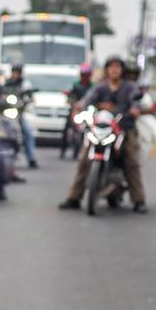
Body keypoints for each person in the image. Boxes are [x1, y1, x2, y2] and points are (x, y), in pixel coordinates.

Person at [58, 55, 148, 213]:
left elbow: (136, 103)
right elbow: (87, 101)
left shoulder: (130, 87)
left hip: (123, 129)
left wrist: (135, 109)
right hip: (100, 129)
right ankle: (74, 197)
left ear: (122, 70)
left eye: (117, 67)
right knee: (84, 159)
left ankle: (139, 200)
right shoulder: (100, 87)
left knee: (131, 161)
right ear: (107, 70)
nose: (114, 70)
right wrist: (79, 106)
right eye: (111, 67)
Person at [1, 63, 38, 168]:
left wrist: (28, 100)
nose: (16, 74)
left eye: (18, 72)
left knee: (28, 133)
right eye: (14, 71)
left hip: (18, 113)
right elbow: (0, 95)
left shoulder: (25, 84)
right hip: (6, 113)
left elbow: (30, 96)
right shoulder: (6, 83)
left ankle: (31, 158)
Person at [61, 63, 95, 159]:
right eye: (83, 74)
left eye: (87, 74)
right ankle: (63, 149)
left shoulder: (93, 87)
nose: (85, 77)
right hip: (76, 111)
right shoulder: (76, 85)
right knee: (67, 127)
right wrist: (72, 103)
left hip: (88, 111)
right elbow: (70, 97)